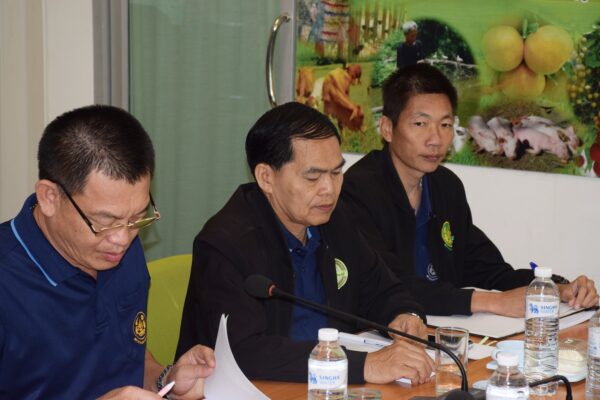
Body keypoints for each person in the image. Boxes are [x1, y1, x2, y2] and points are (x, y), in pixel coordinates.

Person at [176, 102, 435, 385]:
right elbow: (245, 352)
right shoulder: (225, 245)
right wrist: (362, 366)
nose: (329, 190)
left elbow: (384, 289)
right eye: (313, 177)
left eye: (336, 173)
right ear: (266, 177)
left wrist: (405, 316)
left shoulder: (335, 220)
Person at [341, 64, 599, 317]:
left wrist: (554, 288)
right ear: (387, 128)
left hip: (444, 330)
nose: (435, 139)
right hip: (380, 333)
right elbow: (388, 285)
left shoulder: (446, 186)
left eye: (445, 125)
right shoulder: (358, 190)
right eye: (420, 124)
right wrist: (493, 302)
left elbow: (489, 270)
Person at [0, 105, 215, 399]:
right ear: (49, 198)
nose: (122, 239)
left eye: (137, 217)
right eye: (104, 221)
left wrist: (166, 379)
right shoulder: (7, 281)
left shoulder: (118, 247)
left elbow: (127, 354)